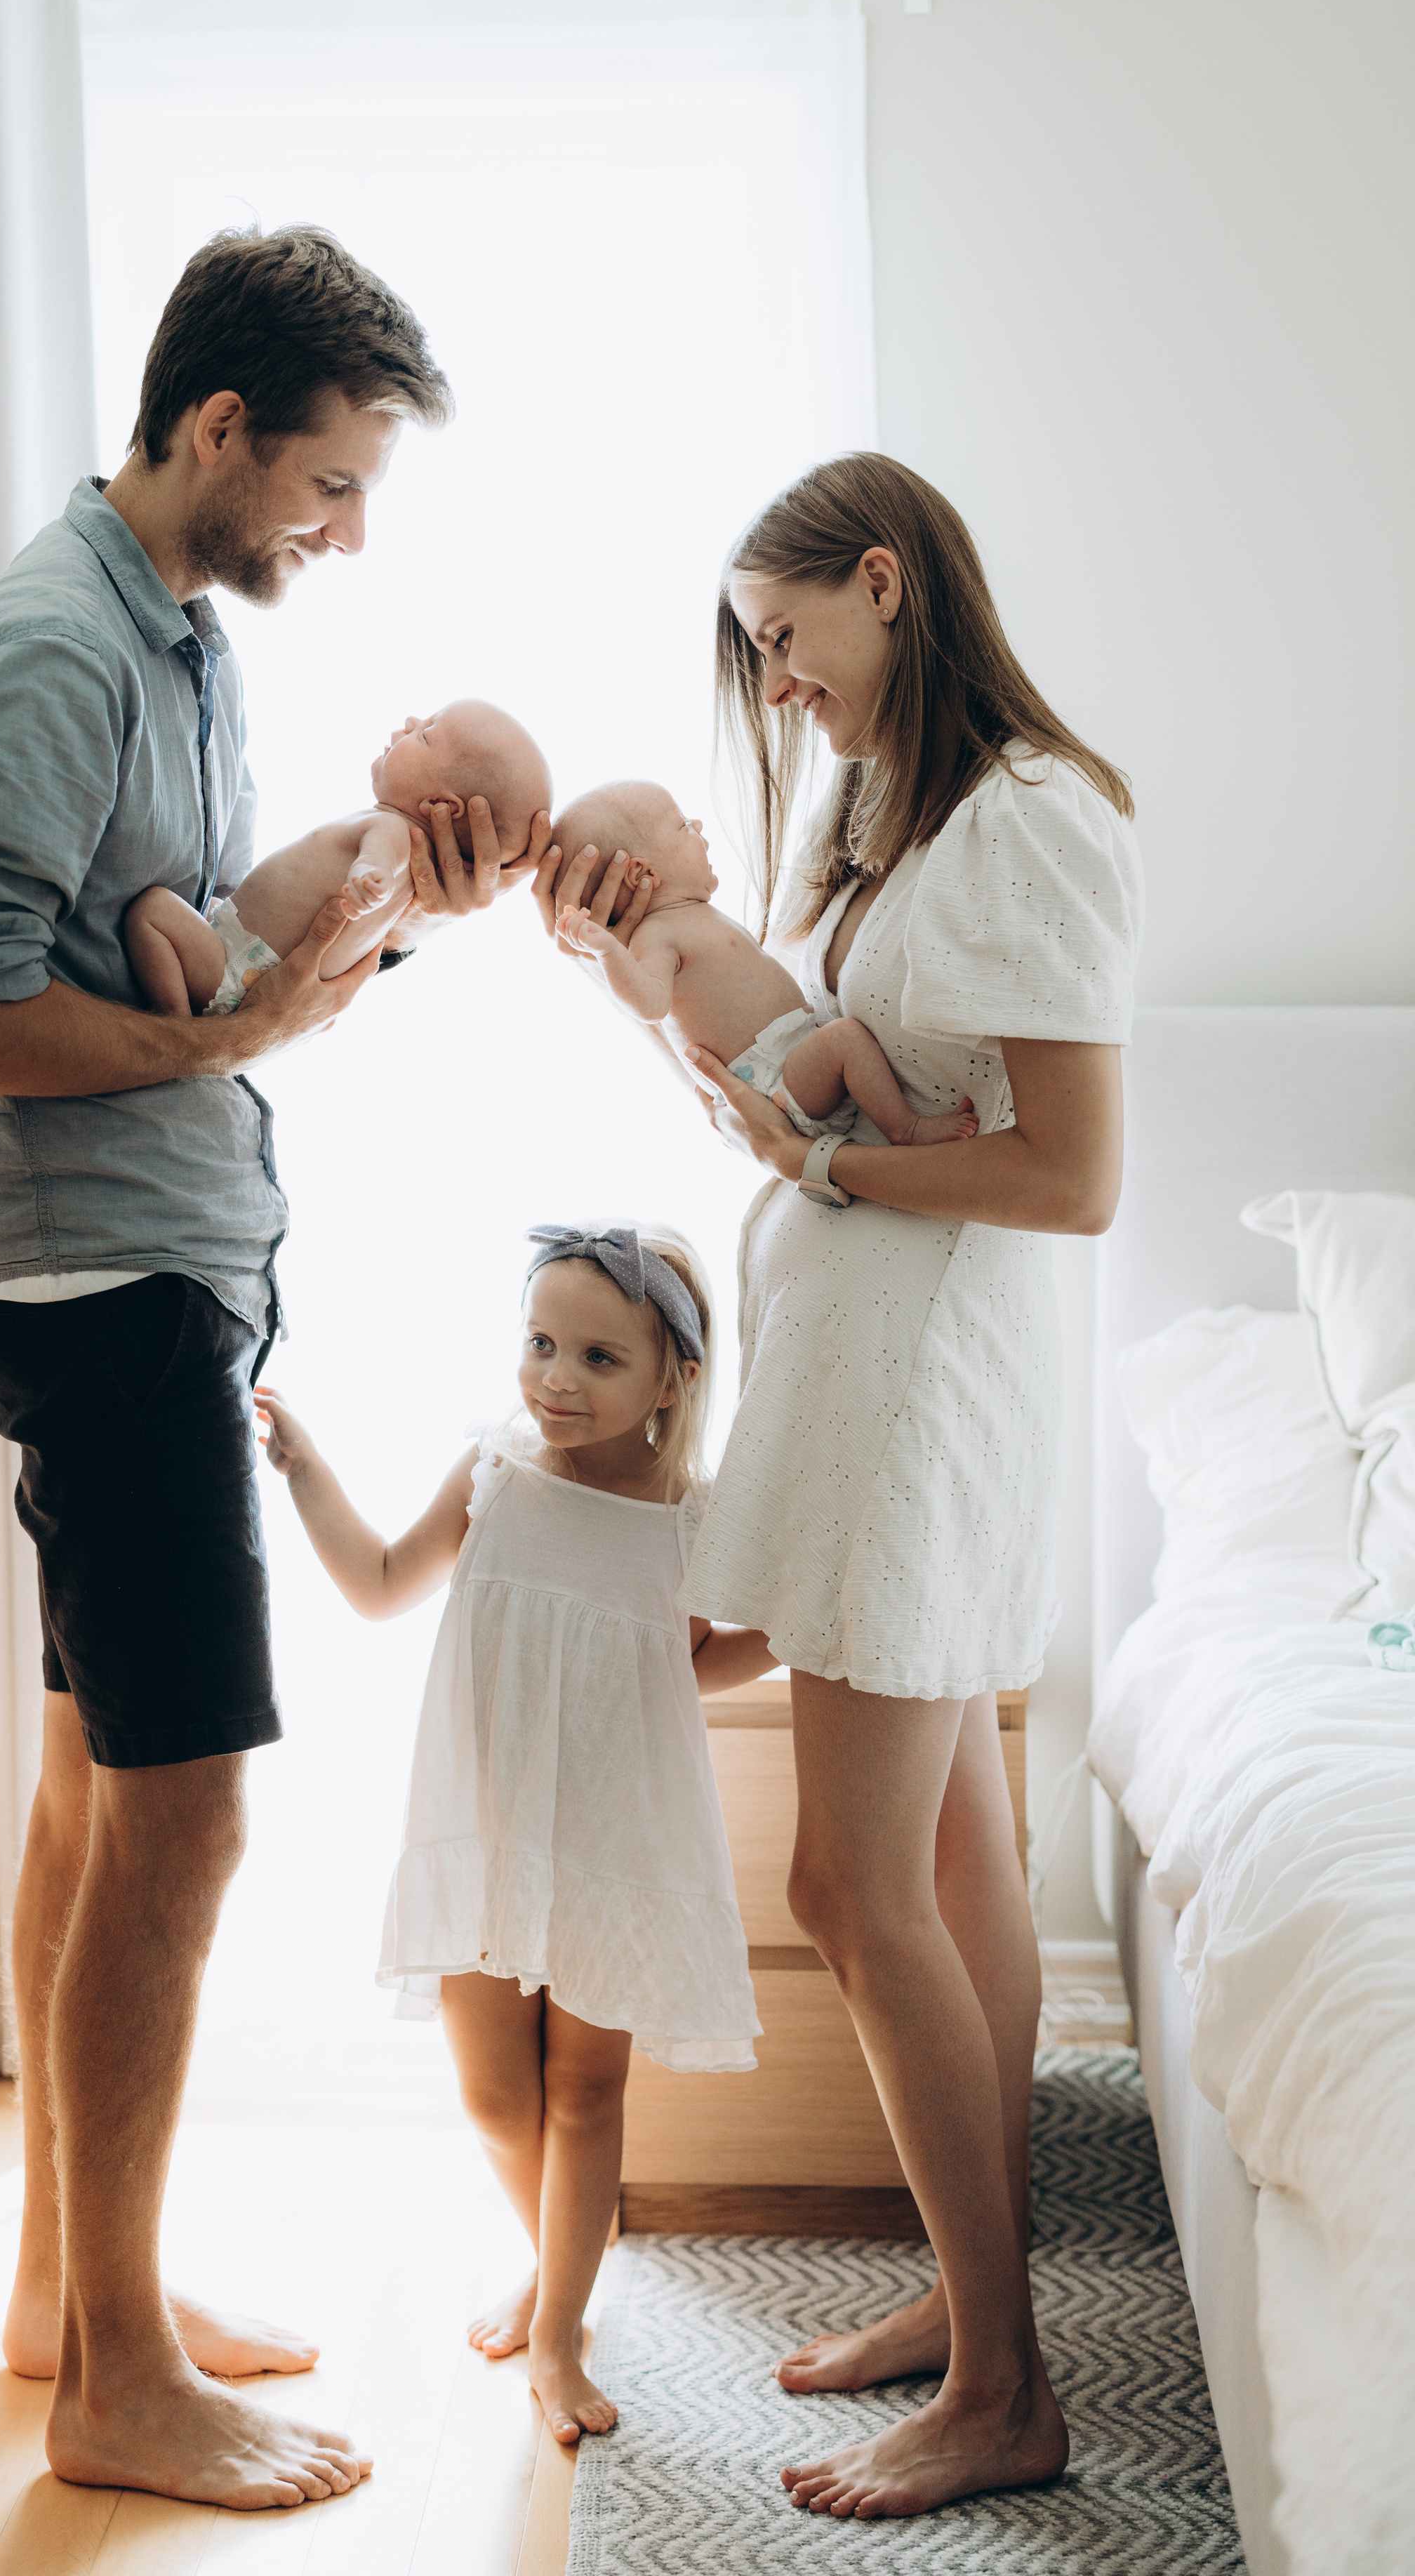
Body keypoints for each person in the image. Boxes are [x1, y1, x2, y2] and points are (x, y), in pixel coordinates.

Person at [0, 223, 548, 2511]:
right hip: (104, 1304)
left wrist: (368, 895)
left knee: (95, 1790)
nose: (343, 530)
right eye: (332, 480)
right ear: (217, 429)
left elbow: (145, 926)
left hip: (147, 1282)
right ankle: (117, 2396)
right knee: (185, 1811)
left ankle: (79, 2300)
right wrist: (263, 1020)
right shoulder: (58, 651)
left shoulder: (167, 634)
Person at [536, 451, 1143, 2522]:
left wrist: (832, 1164)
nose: (772, 682)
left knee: (846, 1883)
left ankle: (1001, 2387)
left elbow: (1067, 1176)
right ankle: (974, 2313)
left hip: (930, 1386)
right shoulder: (857, 811)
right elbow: (800, 1069)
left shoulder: (1040, 820)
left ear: (887, 584)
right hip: (851, 1357)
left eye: (786, 636)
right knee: (959, 1869)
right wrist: (687, 1024)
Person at [253, 1224, 771, 2448]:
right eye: (540, 1343)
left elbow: (690, 1667)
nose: (554, 1378)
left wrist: (809, 1617)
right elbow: (381, 1583)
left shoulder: (690, 1520)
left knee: (588, 2089)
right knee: (495, 2096)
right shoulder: (494, 1472)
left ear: (673, 1379)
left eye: (598, 1357)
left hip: (614, 1838)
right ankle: (559, 2265)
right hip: (487, 1827)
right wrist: (306, 1467)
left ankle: (557, 2338)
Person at [549, 779, 978, 1149]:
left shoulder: (692, 915)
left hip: (792, 1062)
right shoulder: (656, 937)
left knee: (844, 1041)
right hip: (774, 1086)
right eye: (683, 826)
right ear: (640, 874)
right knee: (847, 1038)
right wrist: (608, 953)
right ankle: (906, 1128)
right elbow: (650, 1005)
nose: (698, 828)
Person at [124, 700, 550, 1017]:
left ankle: (177, 1022)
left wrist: (370, 875)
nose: (410, 723)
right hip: (250, 968)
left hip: (230, 965)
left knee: (150, 910)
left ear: (444, 805)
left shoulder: (392, 831)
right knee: (198, 907)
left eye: (426, 734)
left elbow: (382, 858)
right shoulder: (413, 876)